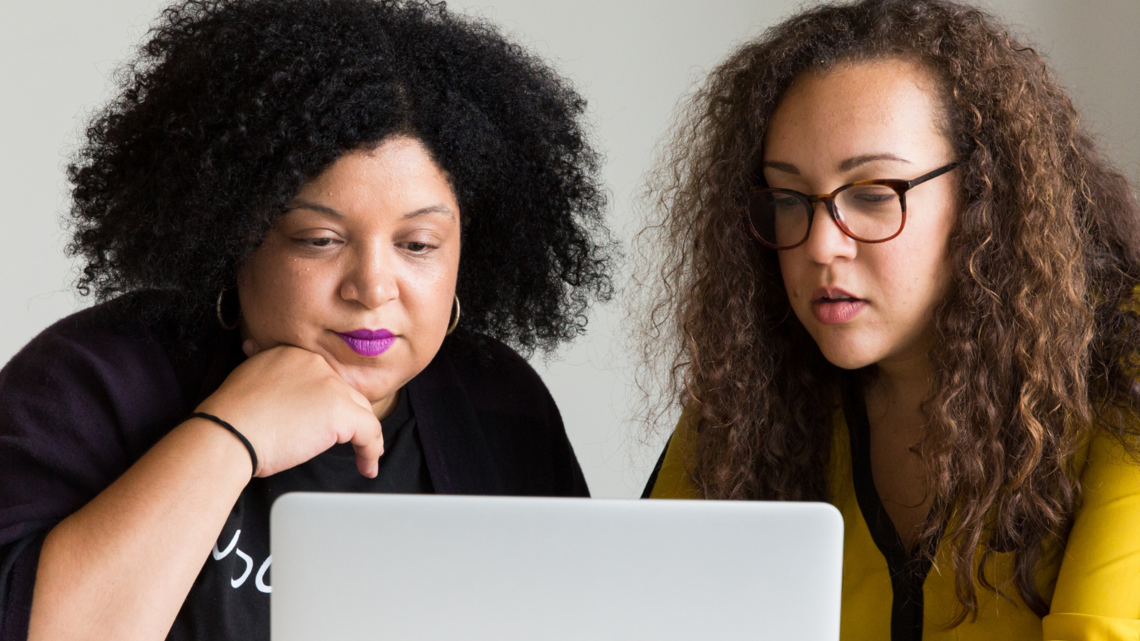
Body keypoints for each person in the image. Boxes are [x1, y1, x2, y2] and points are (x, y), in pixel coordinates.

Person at [0, 0, 615, 639]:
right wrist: (229, 433)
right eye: (320, 239)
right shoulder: (93, 382)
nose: (372, 286)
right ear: (234, 233)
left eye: (419, 245)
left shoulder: (501, 406)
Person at [638, 0, 1140, 639]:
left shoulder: (1122, 357)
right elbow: (649, 617)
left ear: (990, 196)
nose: (820, 245)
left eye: (874, 195)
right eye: (790, 200)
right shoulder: (753, 382)